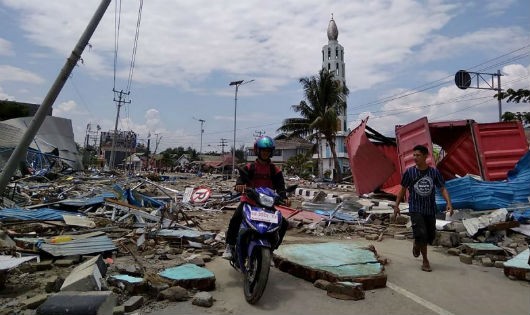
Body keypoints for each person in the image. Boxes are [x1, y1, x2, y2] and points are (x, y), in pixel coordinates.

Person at [222, 136, 290, 260]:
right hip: (249, 201)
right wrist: (239, 185)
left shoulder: (275, 170)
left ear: (271, 152)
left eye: (268, 150)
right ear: (257, 151)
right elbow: (241, 179)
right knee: (236, 218)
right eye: (263, 150)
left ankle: (271, 249)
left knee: (283, 224)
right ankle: (230, 245)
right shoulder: (250, 167)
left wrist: (284, 197)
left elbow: (281, 187)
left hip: (267, 204)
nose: (265, 153)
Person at [393, 144, 453, 272]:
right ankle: (425, 260)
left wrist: (449, 203)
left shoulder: (434, 172)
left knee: (430, 235)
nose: (415, 157)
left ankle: (417, 242)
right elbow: (402, 189)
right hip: (415, 208)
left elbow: (442, 188)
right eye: (414, 155)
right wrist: (396, 205)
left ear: (426, 156)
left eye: (418, 155)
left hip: (430, 208)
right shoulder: (410, 172)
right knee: (422, 234)